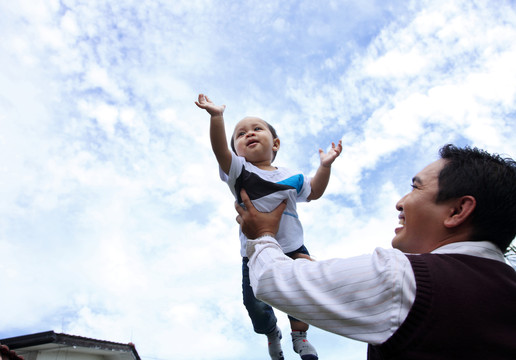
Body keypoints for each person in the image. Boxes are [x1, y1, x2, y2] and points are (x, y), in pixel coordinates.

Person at [235, 144, 516, 360]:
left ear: (456, 211)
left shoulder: (403, 278)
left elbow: (273, 281)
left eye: (415, 188)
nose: (400, 203)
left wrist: (262, 236)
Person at [196, 94, 342, 360]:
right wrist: (217, 117)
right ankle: (272, 332)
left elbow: (315, 191)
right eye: (240, 134)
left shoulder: (291, 176)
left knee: (301, 288)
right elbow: (220, 150)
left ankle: (300, 335)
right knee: (255, 304)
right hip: (254, 253)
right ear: (236, 151)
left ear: (275, 143)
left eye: (256, 129)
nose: (249, 134)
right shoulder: (239, 170)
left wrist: (325, 166)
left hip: (293, 247)